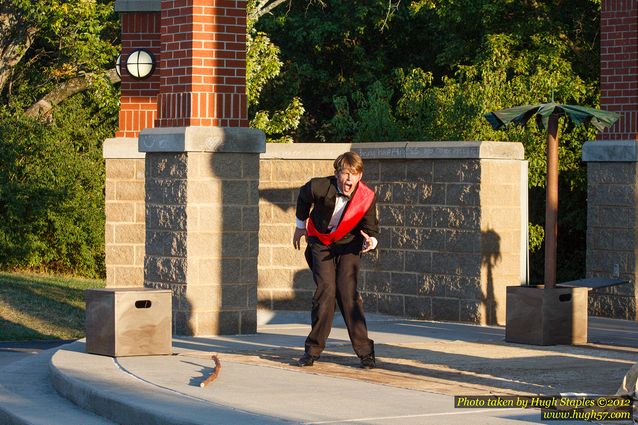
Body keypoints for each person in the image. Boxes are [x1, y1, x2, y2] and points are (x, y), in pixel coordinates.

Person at [292, 151, 379, 369]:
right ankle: (312, 351)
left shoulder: (366, 197)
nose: (349, 178)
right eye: (345, 173)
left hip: (349, 245)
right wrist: (300, 227)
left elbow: (370, 229)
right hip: (321, 243)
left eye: (354, 174)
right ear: (337, 174)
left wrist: (372, 241)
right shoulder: (320, 186)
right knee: (326, 292)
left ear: (360, 176)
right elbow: (303, 197)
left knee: (348, 294)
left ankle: (365, 353)